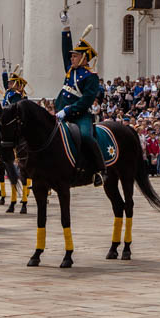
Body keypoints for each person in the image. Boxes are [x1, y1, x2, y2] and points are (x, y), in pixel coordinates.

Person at [57, 12, 104, 187]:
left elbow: (86, 100)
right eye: (72, 56)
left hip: (80, 114)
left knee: (85, 136)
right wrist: (66, 28)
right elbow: (64, 51)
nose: (71, 58)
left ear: (84, 58)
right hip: (62, 113)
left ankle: (99, 170)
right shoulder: (70, 70)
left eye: (75, 56)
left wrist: (67, 110)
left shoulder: (91, 76)